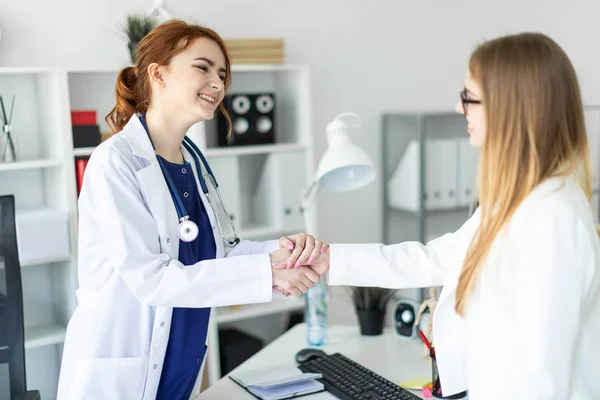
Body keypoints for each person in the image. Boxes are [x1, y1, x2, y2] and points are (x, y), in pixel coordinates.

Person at [300, 32, 600, 399]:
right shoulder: (518, 201)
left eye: (469, 98)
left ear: (511, 108)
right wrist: (330, 259)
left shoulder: (553, 218)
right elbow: (436, 259)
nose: (460, 109)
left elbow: (538, 377)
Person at [57, 20, 327, 400]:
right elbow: (151, 278)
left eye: (222, 73)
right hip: (124, 368)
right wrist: (266, 274)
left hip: (180, 361)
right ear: (158, 73)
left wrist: (280, 254)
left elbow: (221, 250)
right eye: (202, 68)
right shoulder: (115, 162)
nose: (217, 84)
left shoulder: (194, 161)